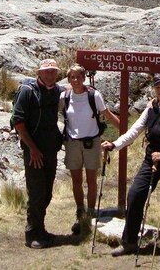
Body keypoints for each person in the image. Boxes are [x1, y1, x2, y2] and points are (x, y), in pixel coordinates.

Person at [102, 73, 160, 256]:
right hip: (151, 158)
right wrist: (115, 144)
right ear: (154, 89)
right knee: (135, 194)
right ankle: (129, 242)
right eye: (158, 87)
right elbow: (134, 131)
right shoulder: (151, 107)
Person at [60, 64, 120, 234]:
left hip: (92, 142)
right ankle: (80, 212)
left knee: (91, 180)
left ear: (84, 78)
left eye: (79, 76)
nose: (76, 80)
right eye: (72, 77)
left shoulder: (94, 95)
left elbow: (107, 115)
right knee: (76, 181)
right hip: (72, 143)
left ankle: (91, 212)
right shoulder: (64, 96)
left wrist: (126, 132)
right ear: (69, 79)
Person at [11, 58, 64, 249]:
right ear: (39, 73)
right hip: (34, 150)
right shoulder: (27, 91)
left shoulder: (57, 90)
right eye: (46, 71)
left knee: (47, 192)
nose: (50, 74)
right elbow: (18, 122)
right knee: (36, 192)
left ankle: (40, 229)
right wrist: (32, 148)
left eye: (53, 71)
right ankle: (31, 233)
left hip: (51, 149)